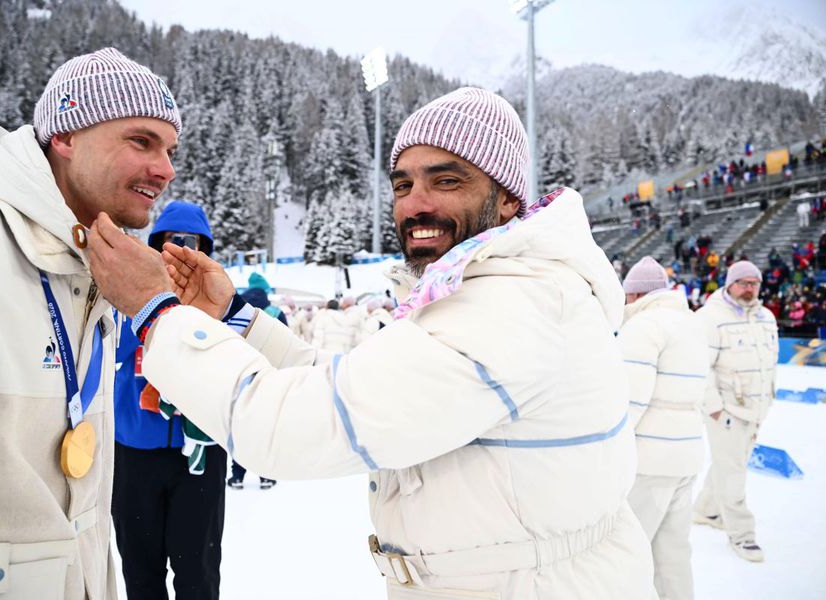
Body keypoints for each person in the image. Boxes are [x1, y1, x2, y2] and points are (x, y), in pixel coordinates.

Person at [87, 87, 653, 599]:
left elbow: (294, 427)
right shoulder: (488, 290)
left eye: (446, 180)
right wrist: (234, 318)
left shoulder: (515, 304)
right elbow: (349, 380)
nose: (415, 203)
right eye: (404, 184)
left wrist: (157, 313)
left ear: (506, 198)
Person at [0, 47, 180, 599]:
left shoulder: (97, 267)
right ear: (65, 136)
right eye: (141, 141)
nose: (165, 169)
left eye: (169, 148)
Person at [112, 201, 228, 599]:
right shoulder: (129, 297)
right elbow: (111, 351)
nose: (180, 249)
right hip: (134, 450)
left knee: (198, 572)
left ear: (205, 248)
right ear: (156, 245)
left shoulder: (218, 298)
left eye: (191, 242)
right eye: (170, 241)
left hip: (200, 453)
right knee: (140, 570)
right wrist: (149, 308)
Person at [618, 257, 709, 600]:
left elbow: (630, 399)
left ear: (635, 295)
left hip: (650, 460)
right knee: (673, 552)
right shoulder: (692, 324)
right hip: (687, 455)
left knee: (630, 550)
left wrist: (609, 449)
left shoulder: (644, 326)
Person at [693, 261, 778, 562]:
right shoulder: (710, 318)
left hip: (756, 409)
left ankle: (707, 510)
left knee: (730, 464)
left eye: (754, 283)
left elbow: (769, 361)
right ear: (729, 284)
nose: (749, 288)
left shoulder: (766, 317)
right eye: (743, 283)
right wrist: (715, 408)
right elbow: (700, 367)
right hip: (727, 411)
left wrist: (768, 396)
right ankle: (742, 535)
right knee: (734, 473)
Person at [226, 272, 283, 490]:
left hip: (239, 374)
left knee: (240, 427)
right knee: (265, 426)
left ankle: (237, 475)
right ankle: (265, 475)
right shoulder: (276, 312)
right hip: (268, 374)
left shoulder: (238, 310)